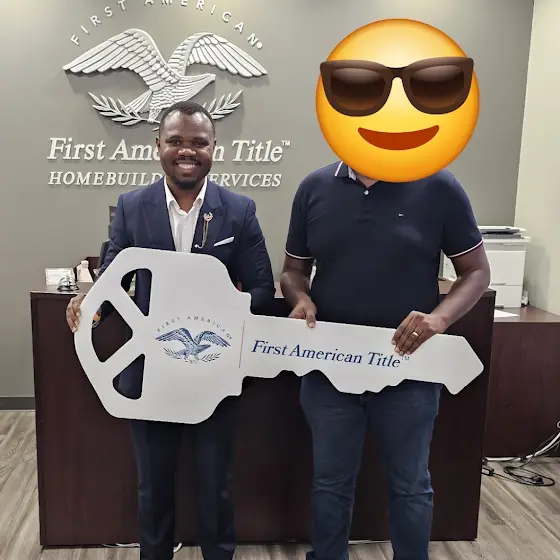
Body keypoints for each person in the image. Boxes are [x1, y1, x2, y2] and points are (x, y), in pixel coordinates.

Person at [66, 101, 275, 560]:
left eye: (198, 142)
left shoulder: (239, 211)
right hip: (149, 374)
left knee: (216, 487)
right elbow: (113, 280)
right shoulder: (131, 207)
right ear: (157, 145)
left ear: (214, 147)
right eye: (176, 141)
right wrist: (90, 307)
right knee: (153, 487)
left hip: (213, 371)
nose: (187, 151)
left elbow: (261, 289)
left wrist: (221, 310)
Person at [280, 161, 490, 560]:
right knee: (330, 484)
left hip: (408, 368)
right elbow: (293, 270)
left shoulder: (439, 185)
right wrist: (300, 297)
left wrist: (440, 318)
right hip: (331, 367)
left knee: (410, 485)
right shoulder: (314, 187)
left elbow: (476, 271)